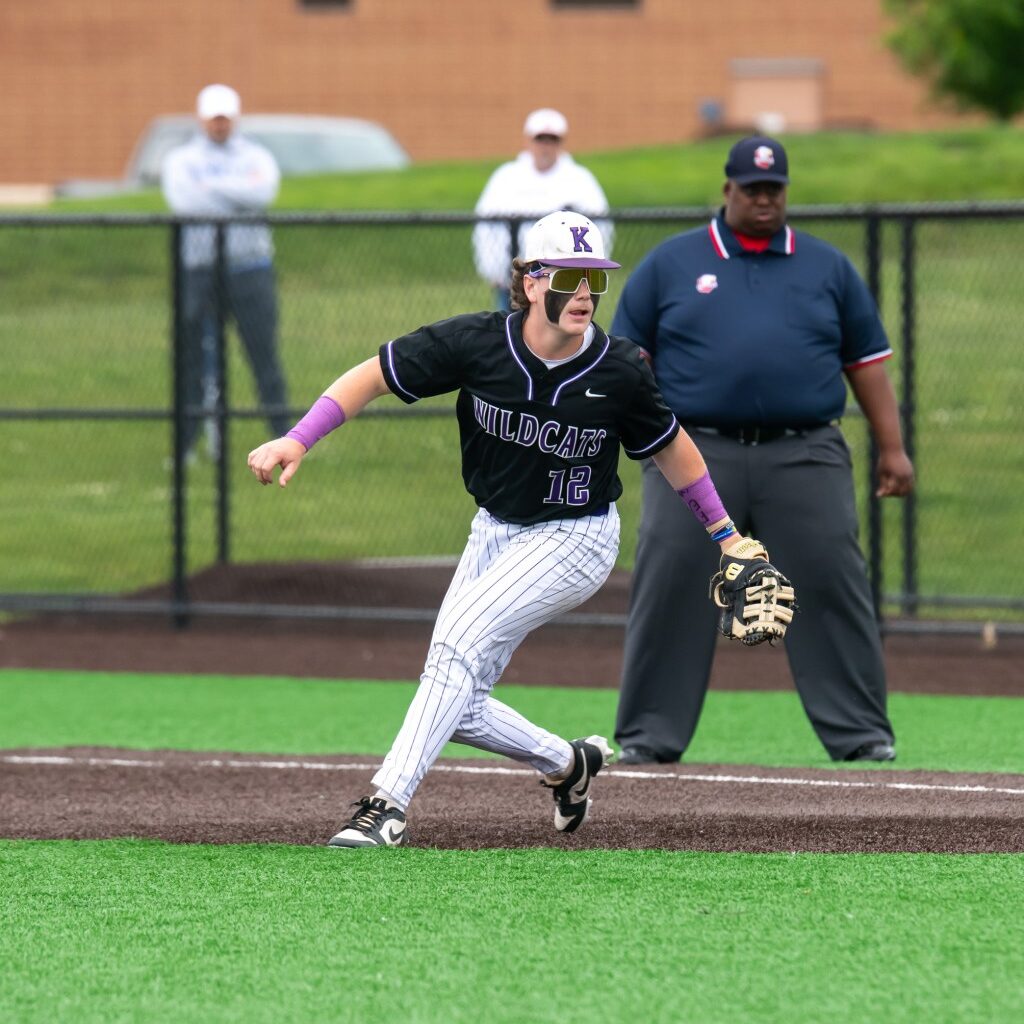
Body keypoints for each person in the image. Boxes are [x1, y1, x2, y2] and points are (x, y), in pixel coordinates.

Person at [247, 211, 776, 848]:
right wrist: (298, 437)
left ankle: (385, 803)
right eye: (569, 276)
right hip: (493, 530)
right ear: (529, 282)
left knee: (453, 653)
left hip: (575, 538)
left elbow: (673, 450)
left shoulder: (620, 369)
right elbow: (374, 376)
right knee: (456, 696)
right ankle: (567, 763)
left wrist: (728, 538)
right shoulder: (476, 342)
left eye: (595, 279)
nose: (585, 292)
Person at [612, 136, 915, 767]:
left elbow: (867, 364)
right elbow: (627, 360)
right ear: (728, 190)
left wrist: (893, 448)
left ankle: (861, 734)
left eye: (773, 189)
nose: (763, 199)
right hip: (693, 453)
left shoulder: (826, 267)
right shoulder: (672, 264)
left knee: (834, 579)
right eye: (751, 188)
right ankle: (648, 734)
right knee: (670, 579)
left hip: (803, 452)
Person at [161, 83, 289, 457]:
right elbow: (185, 200)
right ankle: (186, 441)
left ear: (234, 117)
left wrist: (210, 187)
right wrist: (236, 192)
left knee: (263, 352)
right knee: (193, 357)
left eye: (225, 118)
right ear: (202, 118)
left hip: (249, 269)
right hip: (199, 271)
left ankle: (284, 434)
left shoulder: (257, 156)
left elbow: (263, 193)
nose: (220, 124)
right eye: (214, 118)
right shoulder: (181, 159)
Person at [472, 108, 612, 312]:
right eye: (540, 139)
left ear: (561, 142)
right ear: (528, 140)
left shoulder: (580, 180)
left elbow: (601, 228)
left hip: (565, 279)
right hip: (516, 278)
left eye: (552, 139)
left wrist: (592, 268)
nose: (546, 146)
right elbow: (485, 229)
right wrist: (493, 272)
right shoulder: (506, 178)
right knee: (511, 331)